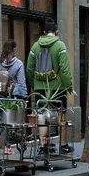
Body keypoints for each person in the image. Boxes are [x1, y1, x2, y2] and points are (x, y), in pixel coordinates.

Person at [26, 18, 73, 155]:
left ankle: (43, 145)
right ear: (56, 31)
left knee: (42, 115)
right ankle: (63, 145)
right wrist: (68, 86)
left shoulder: (35, 47)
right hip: (58, 88)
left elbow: (29, 69)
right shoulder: (60, 45)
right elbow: (64, 70)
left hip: (40, 87)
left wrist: (34, 85)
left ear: (44, 32)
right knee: (61, 114)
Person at [0, 40, 27, 154]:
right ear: (14, 49)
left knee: (1, 118)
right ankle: (7, 147)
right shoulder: (18, 64)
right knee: (11, 121)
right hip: (13, 96)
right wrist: (24, 97)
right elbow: (21, 83)